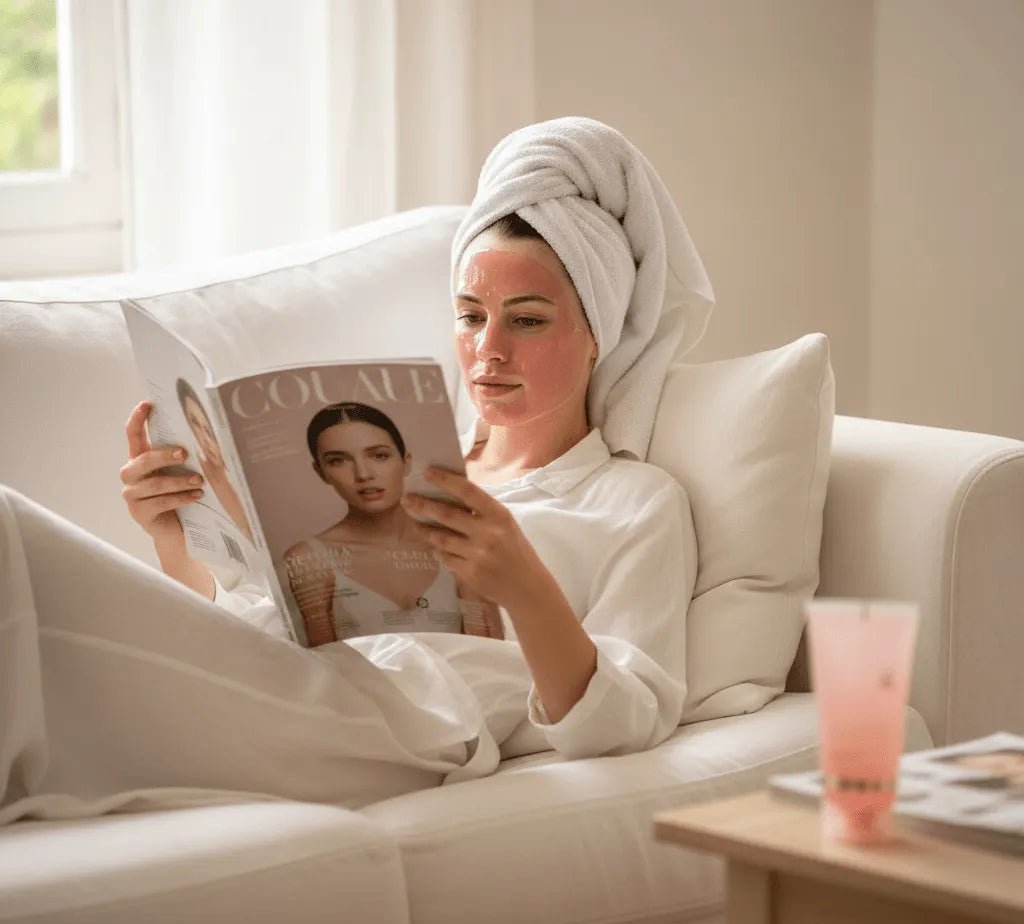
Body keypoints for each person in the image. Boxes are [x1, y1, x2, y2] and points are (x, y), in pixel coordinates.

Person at [0, 116, 719, 826]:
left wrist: (525, 587)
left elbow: (627, 722)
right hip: (286, 679)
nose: (488, 350)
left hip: (401, 720)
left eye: (526, 320)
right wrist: (175, 539)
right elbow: (255, 625)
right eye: (470, 316)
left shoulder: (633, 501)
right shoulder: (405, 466)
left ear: (599, 333)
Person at [282, 402, 461, 646]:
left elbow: (488, 651)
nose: (363, 474)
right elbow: (321, 659)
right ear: (321, 472)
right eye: (338, 461)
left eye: (379, 456)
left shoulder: (454, 544)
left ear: (406, 462)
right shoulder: (309, 558)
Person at [175, 377, 255, 546]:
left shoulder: (243, 475)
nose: (205, 439)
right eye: (195, 423)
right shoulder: (193, 478)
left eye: (207, 428)